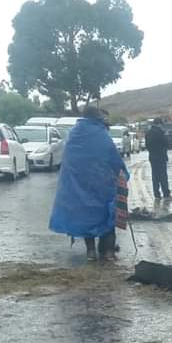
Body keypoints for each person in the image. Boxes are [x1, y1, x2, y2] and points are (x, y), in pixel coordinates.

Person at [49, 105, 129, 262]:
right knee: (106, 216)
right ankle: (109, 252)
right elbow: (113, 157)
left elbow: (68, 162)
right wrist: (122, 173)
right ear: (97, 117)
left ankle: (91, 252)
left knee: (86, 218)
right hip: (102, 184)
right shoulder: (101, 134)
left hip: (79, 185)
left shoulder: (74, 134)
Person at [145, 118, 172, 202]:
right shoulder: (160, 133)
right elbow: (167, 143)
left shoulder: (148, 133)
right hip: (161, 157)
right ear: (159, 124)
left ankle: (157, 194)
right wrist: (166, 136)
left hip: (152, 157)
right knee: (163, 176)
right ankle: (166, 194)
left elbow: (147, 146)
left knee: (155, 176)